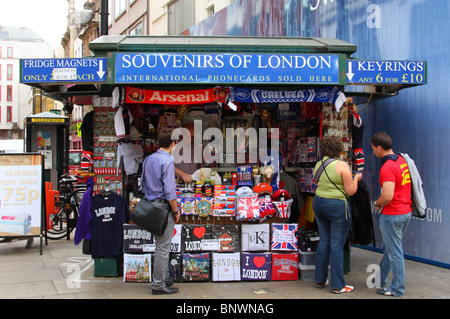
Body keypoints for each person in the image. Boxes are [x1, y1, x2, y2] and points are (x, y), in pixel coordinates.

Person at [312, 136, 362, 294]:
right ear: (339, 149)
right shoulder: (342, 165)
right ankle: (338, 285)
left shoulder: (318, 165)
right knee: (336, 246)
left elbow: (316, 181)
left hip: (319, 203)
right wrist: (357, 179)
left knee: (324, 242)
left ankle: (320, 279)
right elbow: (351, 191)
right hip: (337, 206)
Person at [371, 132, 412, 297]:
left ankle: (397, 288)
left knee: (395, 252)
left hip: (392, 214)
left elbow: (387, 196)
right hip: (404, 212)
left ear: (380, 148)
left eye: (373, 148)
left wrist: (376, 203)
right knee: (390, 249)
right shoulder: (401, 160)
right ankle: (380, 280)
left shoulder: (387, 167)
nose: (373, 151)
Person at [141, 126, 180, 295]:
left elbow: (142, 183)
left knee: (159, 245)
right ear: (173, 143)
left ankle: (163, 278)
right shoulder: (168, 161)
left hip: (150, 205)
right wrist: (176, 210)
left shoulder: (148, 159)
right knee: (163, 248)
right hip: (163, 207)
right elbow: (170, 191)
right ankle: (158, 285)